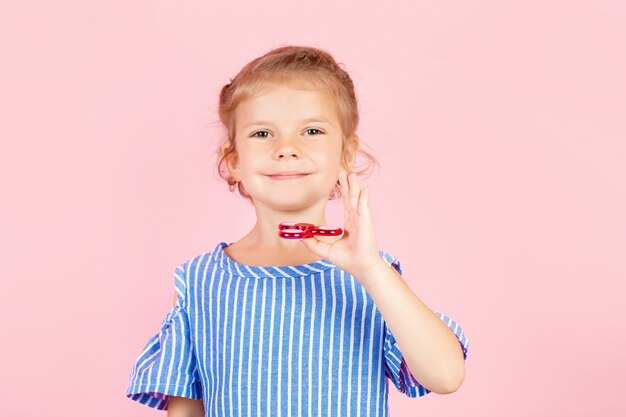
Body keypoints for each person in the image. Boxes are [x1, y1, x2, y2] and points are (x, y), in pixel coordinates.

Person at [125, 45, 469, 417]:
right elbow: (187, 408)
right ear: (234, 161)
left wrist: (370, 270)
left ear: (346, 153)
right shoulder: (199, 282)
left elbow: (446, 376)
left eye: (311, 130)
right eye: (262, 134)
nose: (286, 148)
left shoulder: (372, 276)